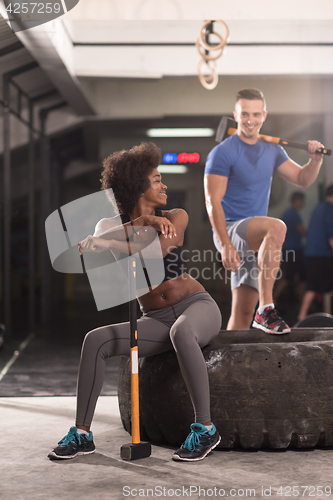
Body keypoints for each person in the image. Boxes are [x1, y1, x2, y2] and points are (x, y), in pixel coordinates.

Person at [48, 142, 222, 462]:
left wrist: (147, 224)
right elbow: (111, 239)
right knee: (95, 340)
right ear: (136, 186)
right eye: (156, 179)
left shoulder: (175, 216)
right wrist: (141, 224)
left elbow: (154, 252)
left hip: (196, 307)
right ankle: (82, 433)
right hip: (154, 318)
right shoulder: (107, 225)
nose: (163, 184)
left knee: (181, 331)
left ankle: (205, 428)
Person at [204, 88, 324, 334]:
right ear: (235, 115)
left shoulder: (272, 150)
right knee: (276, 227)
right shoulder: (222, 152)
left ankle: (224, 368)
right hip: (230, 230)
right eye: (245, 114)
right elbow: (212, 201)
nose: (251, 120)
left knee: (241, 315)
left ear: (264, 116)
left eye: (256, 114)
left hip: (256, 241)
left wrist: (315, 160)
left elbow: (302, 179)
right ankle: (266, 309)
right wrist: (226, 244)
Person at [297, 184, 333, 321]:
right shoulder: (329, 210)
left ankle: (302, 317)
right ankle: (301, 317)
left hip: (313, 253)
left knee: (315, 286)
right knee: (313, 287)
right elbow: (331, 238)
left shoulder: (319, 207)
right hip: (322, 255)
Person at [274, 191, 307, 305]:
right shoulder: (293, 214)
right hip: (294, 250)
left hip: (288, 249)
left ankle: (302, 304)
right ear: (297, 201)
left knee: (299, 278)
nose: (303, 203)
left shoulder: (287, 213)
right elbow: (302, 231)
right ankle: (270, 303)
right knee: (289, 278)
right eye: (302, 201)